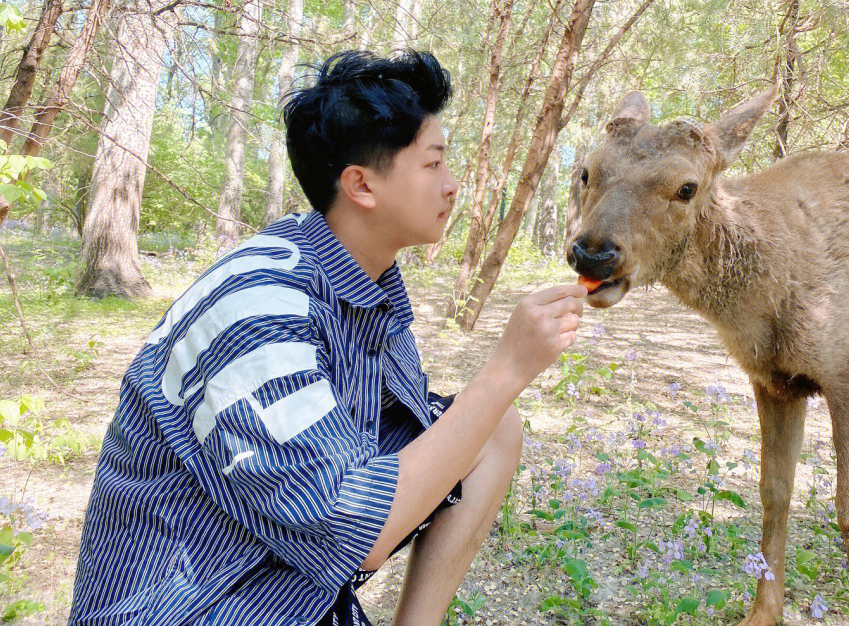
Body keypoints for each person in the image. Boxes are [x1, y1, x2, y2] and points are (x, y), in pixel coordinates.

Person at [67, 49, 586, 626]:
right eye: (433, 164)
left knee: (492, 431)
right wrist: (505, 372)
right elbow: (352, 526)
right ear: (361, 185)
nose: (453, 184)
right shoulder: (258, 308)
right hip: (192, 602)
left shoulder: (362, 279)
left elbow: (413, 436)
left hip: (276, 568)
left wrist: (494, 399)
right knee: (486, 409)